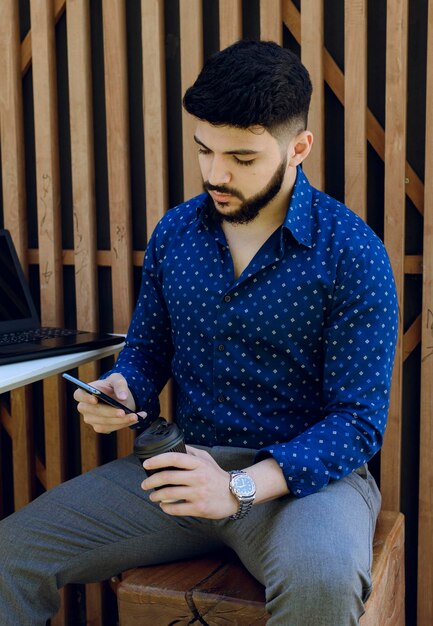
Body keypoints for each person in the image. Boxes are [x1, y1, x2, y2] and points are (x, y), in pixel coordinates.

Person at [0, 40, 398, 625]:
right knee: (12, 552)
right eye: (204, 150)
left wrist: (238, 486)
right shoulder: (176, 234)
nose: (216, 173)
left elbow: (358, 423)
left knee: (322, 579)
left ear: (299, 149)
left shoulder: (352, 253)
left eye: (242, 157)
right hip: (183, 470)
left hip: (306, 486)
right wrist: (124, 388)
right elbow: (147, 351)